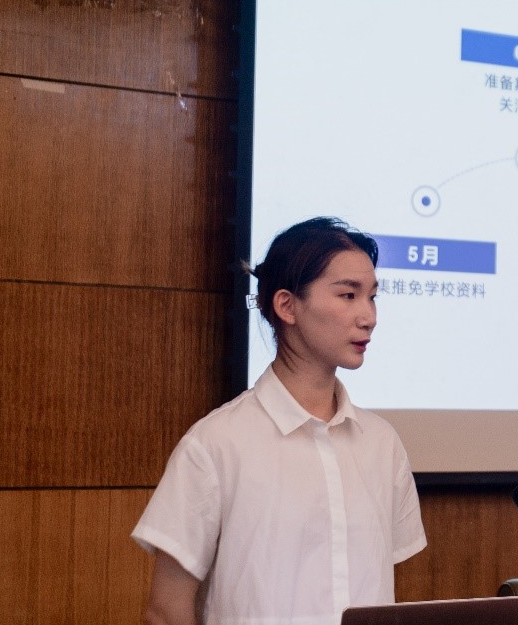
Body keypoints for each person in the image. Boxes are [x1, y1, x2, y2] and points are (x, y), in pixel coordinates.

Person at [132, 217, 426, 625]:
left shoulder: (381, 443)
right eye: (348, 295)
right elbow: (166, 611)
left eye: (372, 297)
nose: (368, 316)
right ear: (286, 305)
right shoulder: (216, 444)